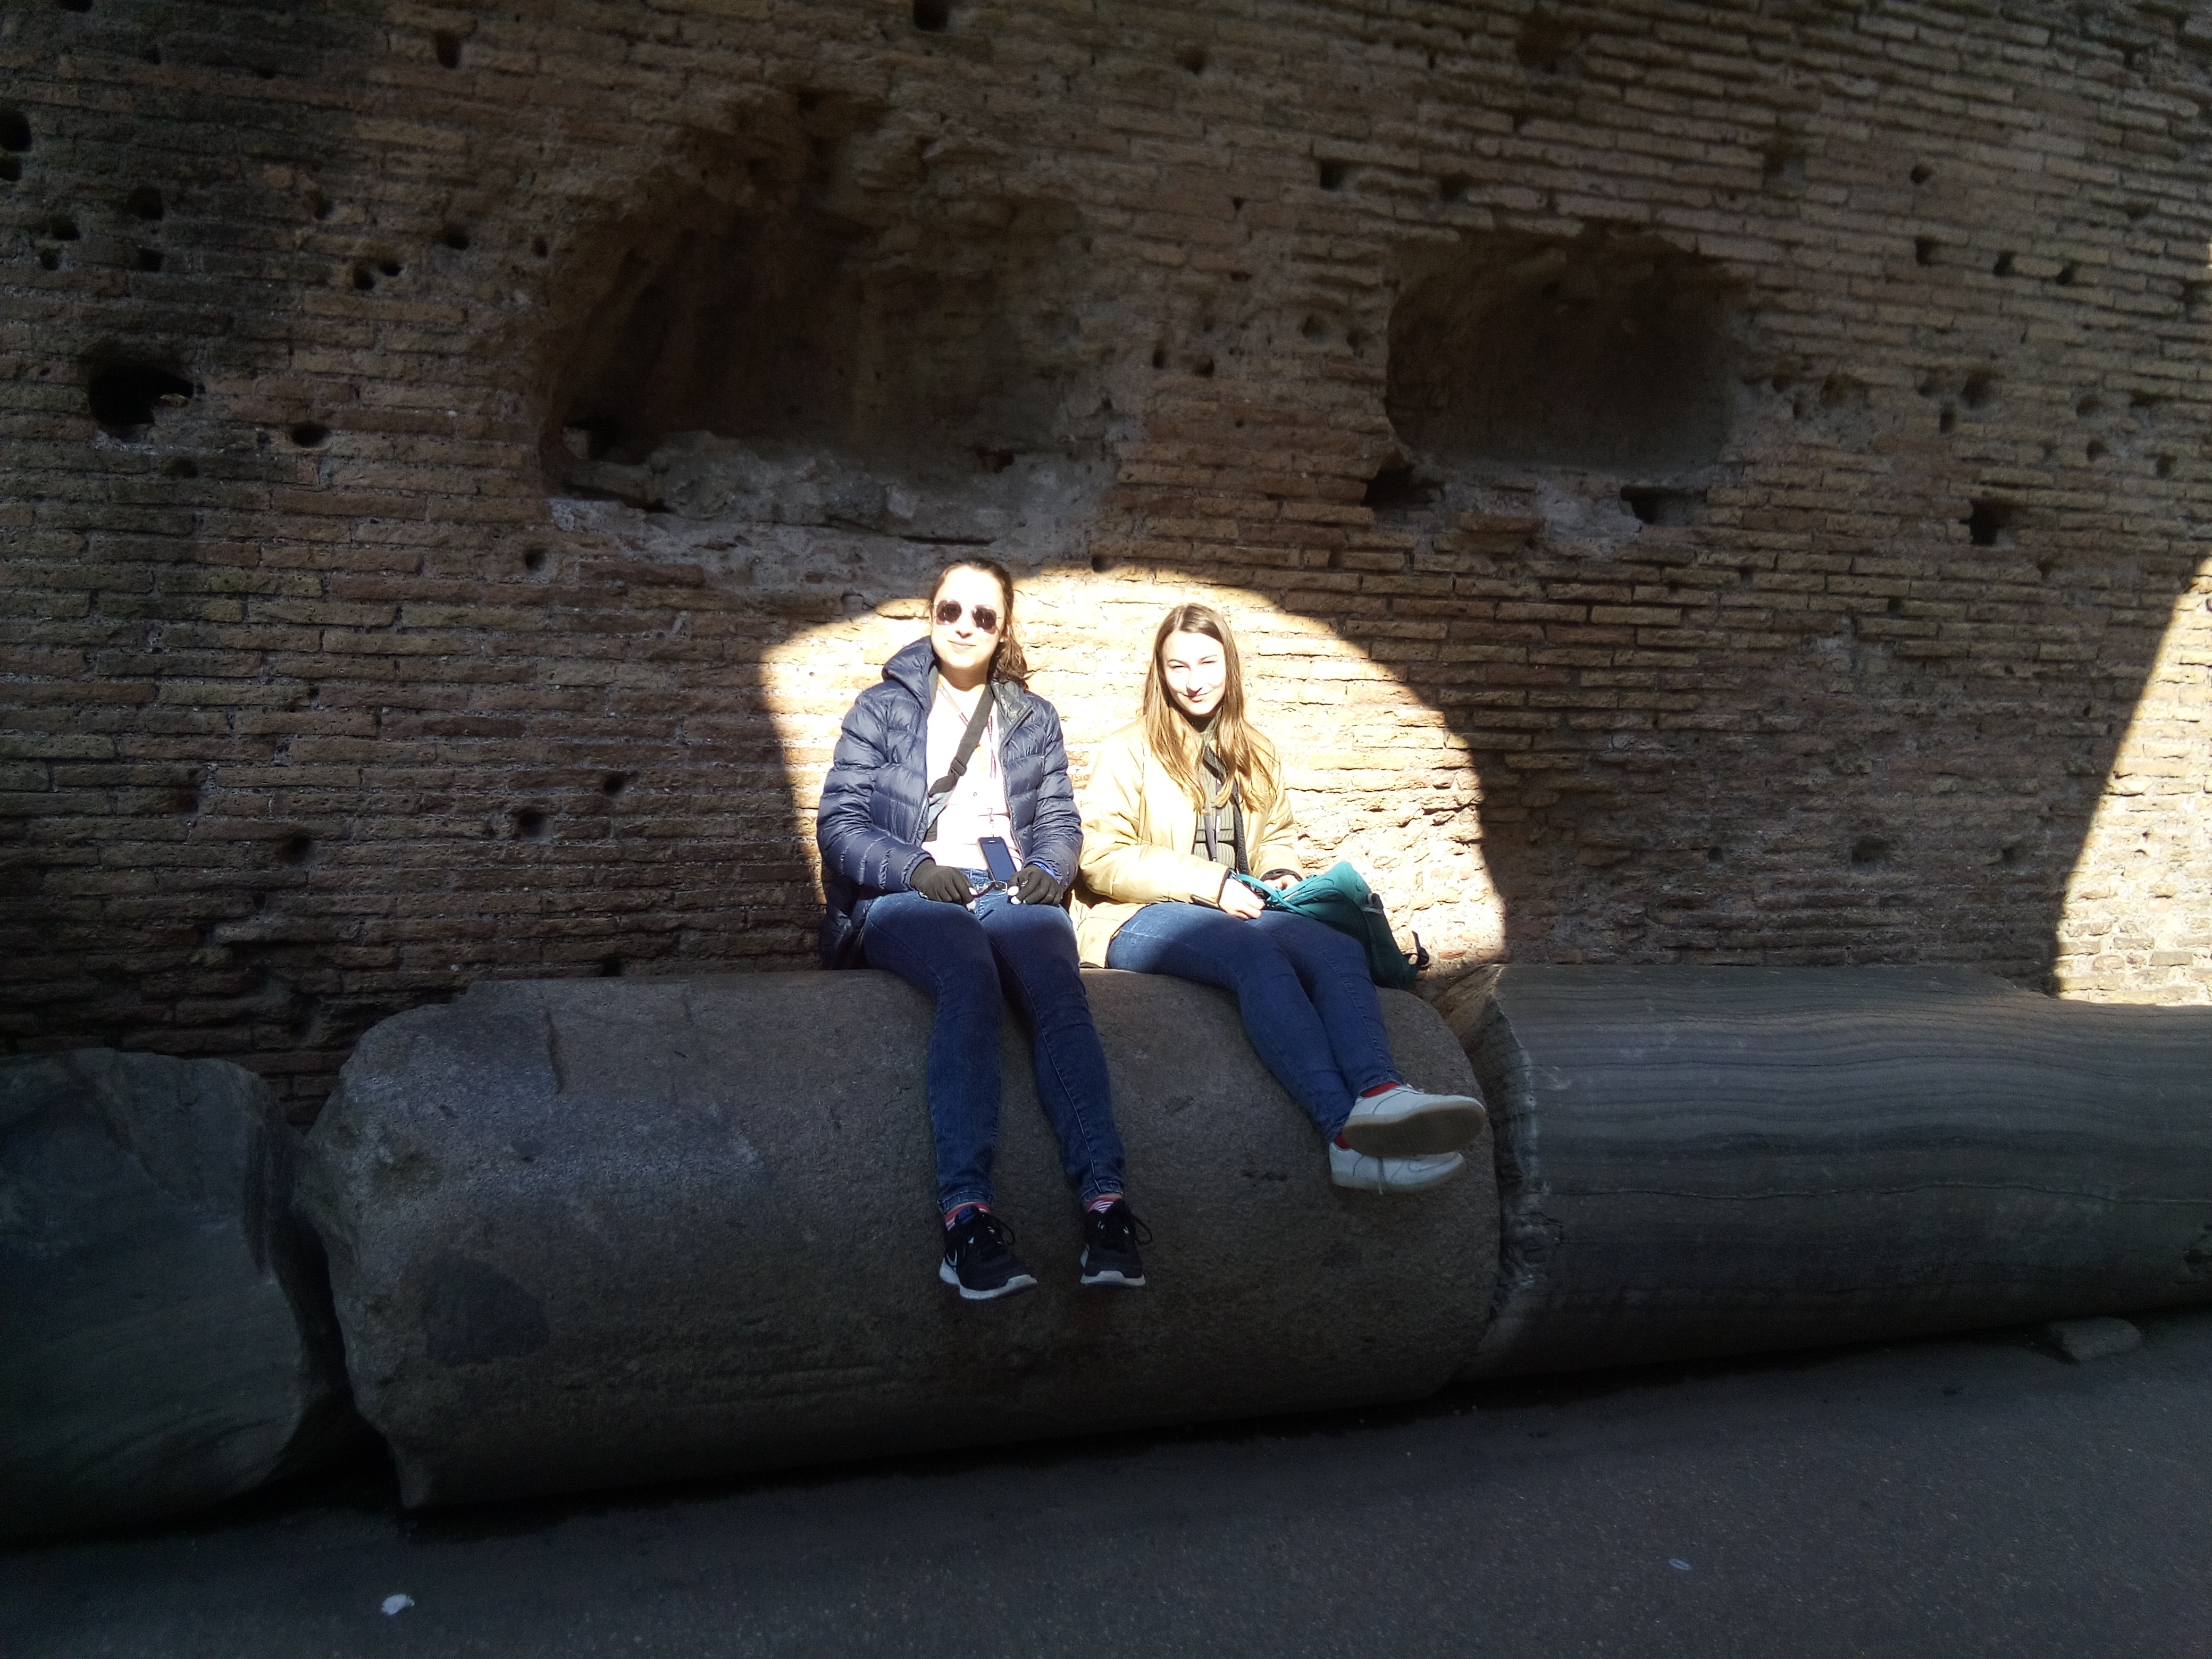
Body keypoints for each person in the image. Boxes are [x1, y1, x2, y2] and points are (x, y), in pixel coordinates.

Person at [817, 558, 1147, 1300]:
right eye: (950, 611)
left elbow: (1059, 818)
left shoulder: (1032, 716)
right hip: (907, 893)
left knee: (1057, 986)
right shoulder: (882, 708)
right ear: (931, 616)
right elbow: (839, 826)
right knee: (969, 976)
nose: (964, 626)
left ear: (1003, 632)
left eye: (983, 616)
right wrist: (912, 868)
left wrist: (1051, 869)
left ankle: (1106, 1208)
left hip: (1008, 885)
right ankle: (965, 1219)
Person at [1073, 602, 1487, 1193]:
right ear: (1159, 673)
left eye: (1207, 663)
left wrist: (1284, 874)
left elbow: (1276, 836)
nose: (1194, 681)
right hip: (1136, 916)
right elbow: (1100, 857)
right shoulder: (1128, 750)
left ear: (1229, 666)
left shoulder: (1256, 750)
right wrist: (1210, 883)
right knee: (1256, 959)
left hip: (1242, 907)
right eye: (1177, 666)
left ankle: (1380, 1092)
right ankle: (1343, 1140)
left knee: (1336, 948)